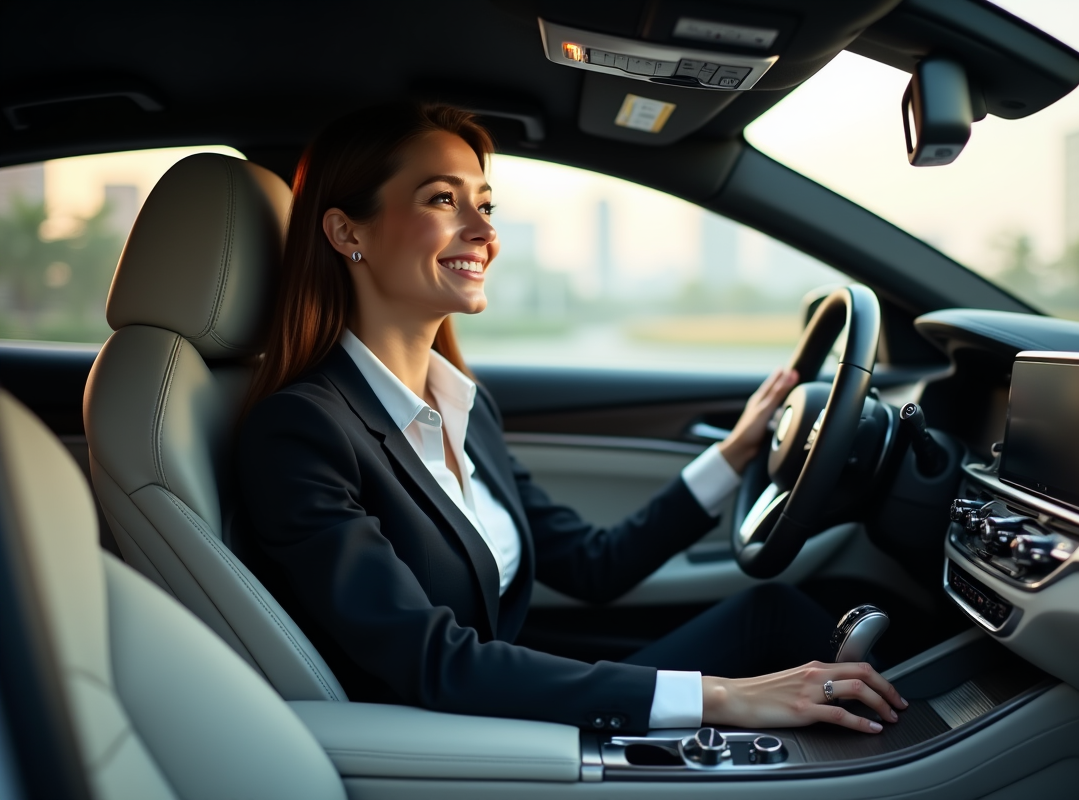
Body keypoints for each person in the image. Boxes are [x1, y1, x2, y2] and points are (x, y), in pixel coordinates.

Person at [237, 103, 906, 735]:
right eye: (443, 199)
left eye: (486, 204)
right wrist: (725, 696)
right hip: (459, 740)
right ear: (346, 230)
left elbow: (592, 565)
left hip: (504, 703)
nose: (484, 231)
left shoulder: (463, 404)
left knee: (773, 614)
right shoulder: (300, 433)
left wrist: (734, 455)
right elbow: (432, 664)